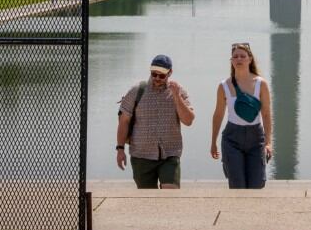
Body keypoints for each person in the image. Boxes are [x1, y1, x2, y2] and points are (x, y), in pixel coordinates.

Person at [116, 55, 195, 189]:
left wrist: (176, 97)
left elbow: (188, 121)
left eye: (161, 76)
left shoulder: (178, 91)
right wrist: (120, 149)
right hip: (141, 155)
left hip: (170, 154)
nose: (157, 78)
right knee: (147, 199)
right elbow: (123, 122)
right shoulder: (136, 90)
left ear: (170, 73)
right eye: (154, 74)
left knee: (170, 193)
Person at [210, 42, 273, 189]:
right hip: (232, 138)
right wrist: (213, 141)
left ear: (250, 59)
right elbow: (218, 114)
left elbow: (266, 114)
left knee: (257, 185)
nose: (239, 59)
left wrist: (269, 142)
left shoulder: (260, 84)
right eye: (235, 57)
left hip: (256, 138)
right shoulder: (224, 85)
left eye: (242, 56)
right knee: (237, 186)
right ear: (231, 60)